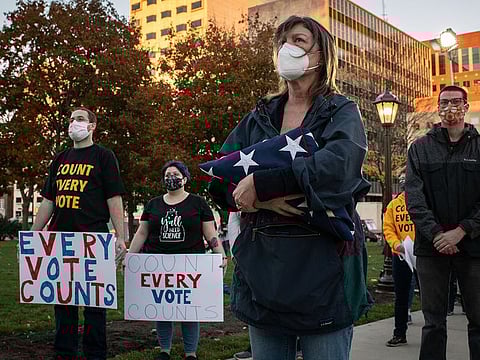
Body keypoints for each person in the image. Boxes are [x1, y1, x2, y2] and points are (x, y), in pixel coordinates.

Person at [216, 16, 371, 360]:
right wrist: (261, 202)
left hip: (324, 274)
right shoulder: (260, 116)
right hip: (264, 274)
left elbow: (339, 168)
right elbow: (222, 179)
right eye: (283, 41)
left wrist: (262, 183)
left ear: (321, 54)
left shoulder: (340, 112)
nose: (288, 48)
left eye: (299, 40)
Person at [31, 107, 126, 360]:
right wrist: (33, 234)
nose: (74, 123)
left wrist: (121, 235)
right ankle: (65, 352)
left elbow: (113, 197)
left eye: (80, 119)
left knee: (95, 303)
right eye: (71, 119)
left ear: (92, 126)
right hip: (60, 241)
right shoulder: (60, 159)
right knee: (64, 302)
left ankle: (95, 353)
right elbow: (49, 200)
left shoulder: (104, 157)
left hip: (94, 239)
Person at [406, 85, 480, 360]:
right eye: (444, 102)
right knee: (433, 323)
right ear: (437, 108)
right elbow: (414, 198)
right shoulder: (420, 149)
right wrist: (437, 233)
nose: (450, 108)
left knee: (478, 321)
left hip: (473, 247)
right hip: (431, 248)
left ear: (466, 105)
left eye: (456, 102)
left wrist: (462, 231)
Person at [128, 160, 227, 360]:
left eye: (175, 174)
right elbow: (142, 233)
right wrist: (130, 256)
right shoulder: (153, 204)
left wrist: (221, 255)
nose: (171, 178)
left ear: (184, 178)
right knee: (162, 309)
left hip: (191, 264)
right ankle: (164, 350)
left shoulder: (198, 203)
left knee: (189, 310)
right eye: (167, 175)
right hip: (158, 265)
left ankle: (190, 353)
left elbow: (210, 233)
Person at [383, 174, 417, 347]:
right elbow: (388, 228)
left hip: (423, 255)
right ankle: (399, 333)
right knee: (401, 296)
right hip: (401, 256)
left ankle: (435, 333)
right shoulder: (393, 205)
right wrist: (396, 244)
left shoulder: (424, 202)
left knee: (432, 296)